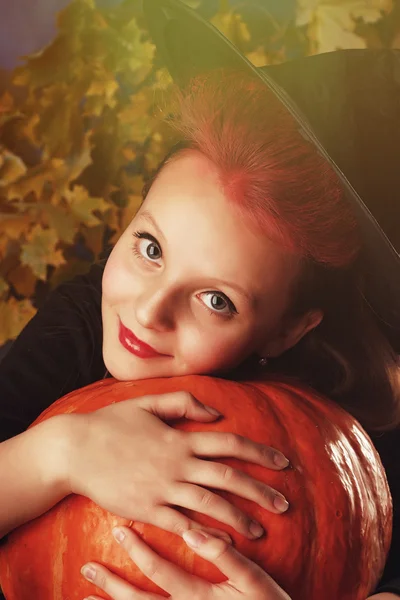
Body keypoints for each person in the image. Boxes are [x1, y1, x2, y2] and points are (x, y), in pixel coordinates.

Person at [0, 1, 400, 598]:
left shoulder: (349, 425)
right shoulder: (85, 317)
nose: (148, 310)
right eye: (151, 247)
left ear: (287, 330)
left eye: (216, 300)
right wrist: (59, 454)